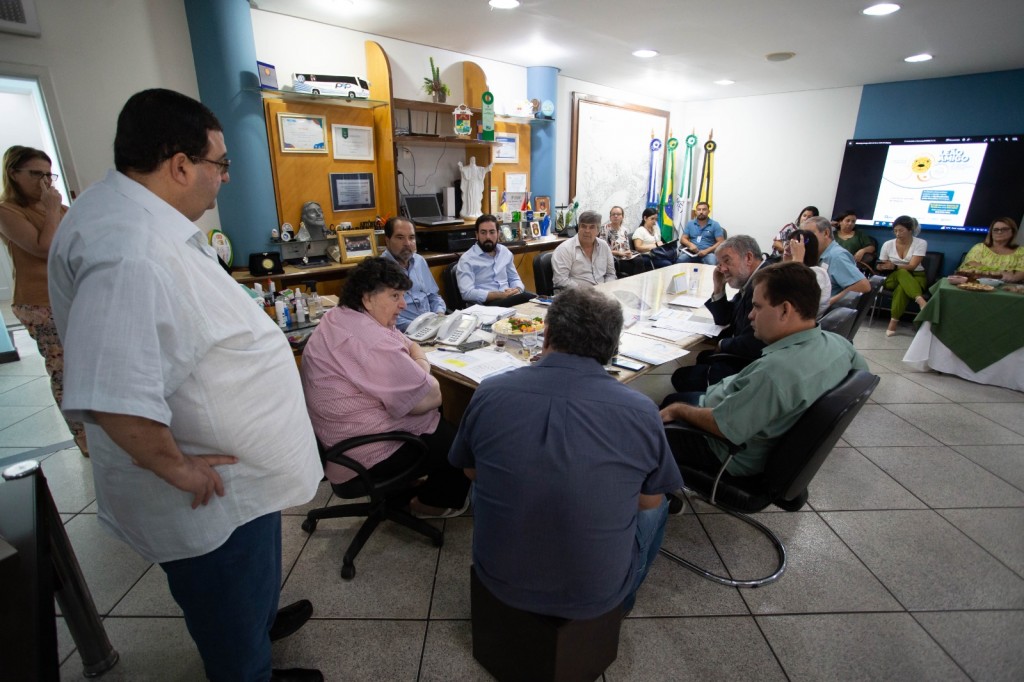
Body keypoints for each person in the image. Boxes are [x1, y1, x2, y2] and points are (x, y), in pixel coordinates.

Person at [47, 89, 323, 682]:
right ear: (179, 165)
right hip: (210, 488)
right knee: (226, 607)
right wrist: (178, 467)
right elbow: (113, 389)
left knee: (246, 589)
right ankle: (247, 666)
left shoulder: (133, 217)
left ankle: (257, 631)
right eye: (221, 164)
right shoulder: (130, 251)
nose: (225, 177)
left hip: (237, 475)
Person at [449, 287, 683, 618]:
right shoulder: (642, 411)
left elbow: (470, 471)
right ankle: (621, 605)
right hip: (595, 593)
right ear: (613, 348)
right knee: (658, 506)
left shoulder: (489, 391)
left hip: (498, 576)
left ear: (546, 336)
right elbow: (648, 501)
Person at [660, 261, 869, 477]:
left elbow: (723, 427)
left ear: (785, 310)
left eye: (757, 307)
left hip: (725, 451)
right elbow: (863, 378)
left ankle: (654, 487)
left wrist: (678, 410)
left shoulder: (775, 373)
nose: (751, 315)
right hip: (747, 419)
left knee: (655, 423)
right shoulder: (840, 344)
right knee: (674, 400)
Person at [301, 257, 471, 518]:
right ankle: (432, 503)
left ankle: (400, 491)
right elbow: (431, 396)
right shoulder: (371, 339)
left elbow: (408, 342)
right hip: (364, 452)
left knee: (436, 419)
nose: (403, 304)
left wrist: (417, 360)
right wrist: (422, 365)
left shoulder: (342, 315)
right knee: (458, 439)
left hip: (339, 440)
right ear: (368, 298)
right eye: (394, 296)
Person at [0, 145, 87, 456]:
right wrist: (52, 210)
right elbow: (44, 247)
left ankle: (101, 428)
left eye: (49, 175)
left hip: (72, 295)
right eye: (36, 174)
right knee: (63, 368)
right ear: (13, 174)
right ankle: (83, 436)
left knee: (86, 364)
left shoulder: (59, 208)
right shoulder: (8, 211)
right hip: (39, 301)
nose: (45, 182)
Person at [669, 235, 767, 394]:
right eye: (720, 264)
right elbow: (725, 318)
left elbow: (755, 342)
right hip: (747, 354)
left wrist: (722, 344)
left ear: (748, 258)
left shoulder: (764, 284)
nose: (722, 269)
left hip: (752, 367)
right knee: (703, 357)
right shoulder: (751, 280)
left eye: (727, 261)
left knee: (680, 377)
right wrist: (718, 288)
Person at [380, 216, 446, 331]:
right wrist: (420, 327)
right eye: (400, 238)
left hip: (432, 326)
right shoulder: (380, 268)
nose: (407, 243)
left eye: (411, 238)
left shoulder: (420, 261)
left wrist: (439, 314)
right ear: (387, 240)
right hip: (404, 332)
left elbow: (433, 296)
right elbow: (384, 315)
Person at [456, 214, 535, 306]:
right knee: (529, 297)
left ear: (498, 234)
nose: (488, 237)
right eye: (483, 232)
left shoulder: (505, 252)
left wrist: (517, 289)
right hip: (486, 306)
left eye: (492, 232)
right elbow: (467, 293)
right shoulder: (467, 259)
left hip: (510, 299)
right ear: (477, 235)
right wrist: (498, 295)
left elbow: (514, 279)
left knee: (533, 301)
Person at [876, 215, 929, 337]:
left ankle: (893, 322)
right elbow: (883, 265)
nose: (897, 234)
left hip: (916, 277)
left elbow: (913, 266)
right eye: (895, 231)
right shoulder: (888, 244)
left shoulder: (921, 243)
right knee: (901, 272)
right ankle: (920, 300)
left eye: (901, 230)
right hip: (892, 277)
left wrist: (895, 266)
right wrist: (882, 267)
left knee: (902, 287)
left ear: (910, 230)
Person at [805, 216, 871, 306]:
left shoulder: (836, 256)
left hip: (822, 310)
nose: (806, 240)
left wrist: (828, 303)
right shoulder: (821, 253)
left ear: (826, 233)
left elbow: (863, 285)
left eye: (810, 235)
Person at [551, 209, 616, 290]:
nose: (587, 231)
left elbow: (610, 274)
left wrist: (607, 288)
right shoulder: (564, 249)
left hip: (602, 292)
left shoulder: (604, 246)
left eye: (592, 227)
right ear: (578, 228)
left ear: (598, 231)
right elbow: (561, 281)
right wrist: (588, 293)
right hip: (575, 294)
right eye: (584, 226)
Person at [782, 228, 832, 316]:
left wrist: (797, 260)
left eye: (793, 245)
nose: (786, 248)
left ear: (805, 250)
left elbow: (795, 302)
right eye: (787, 243)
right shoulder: (785, 271)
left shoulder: (818, 273)